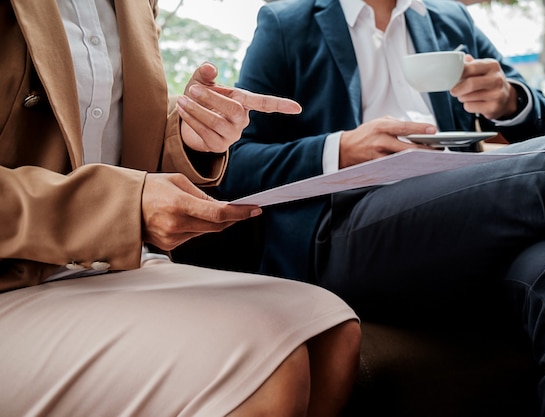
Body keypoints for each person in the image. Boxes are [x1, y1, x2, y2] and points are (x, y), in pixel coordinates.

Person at [216, 0, 545, 416]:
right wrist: (338, 149)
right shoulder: (287, 22)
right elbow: (236, 163)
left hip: (465, 219)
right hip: (347, 231)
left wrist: (508, 100)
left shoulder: (449, 19)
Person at [0, 1, 361, 417]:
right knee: (262, 362)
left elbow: (106, 141)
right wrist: (123, 205)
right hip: (13, 276)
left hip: (104, 266)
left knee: (331, 328)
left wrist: (189, 135)